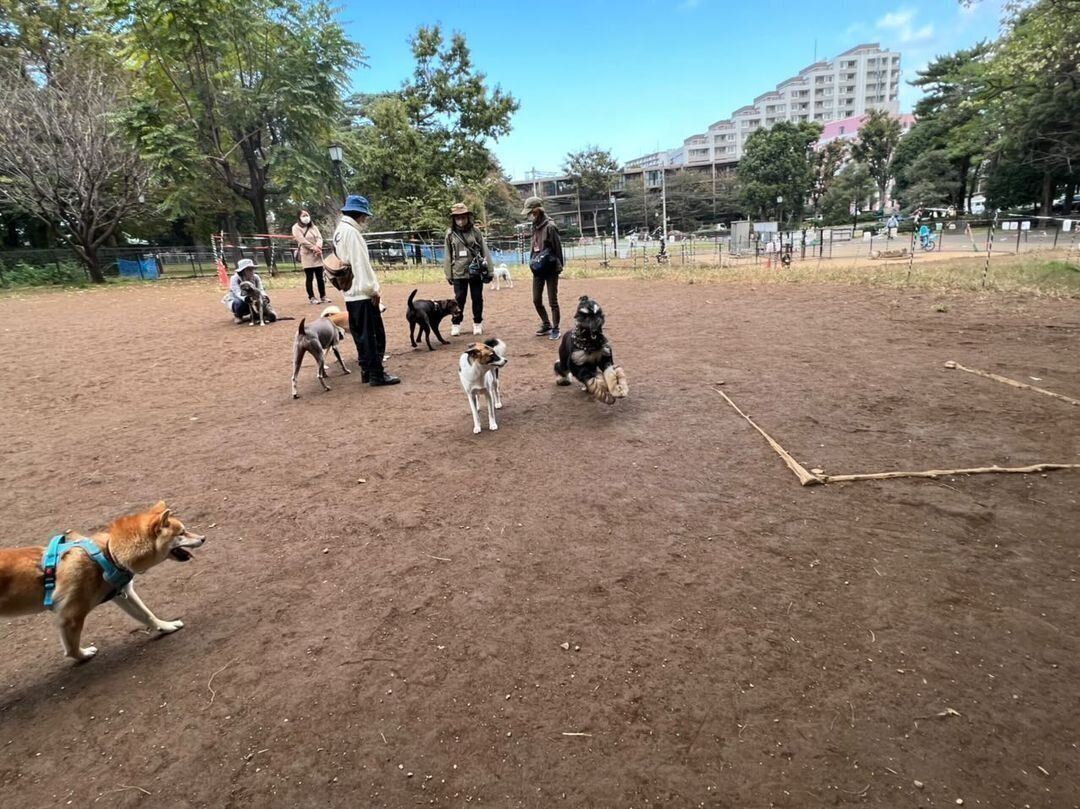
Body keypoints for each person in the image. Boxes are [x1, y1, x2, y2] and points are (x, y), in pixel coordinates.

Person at [333, 194, 399, 386]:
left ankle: (366, 371)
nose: (365, 219)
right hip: (362, 293)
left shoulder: (339, 231)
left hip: (349, 292)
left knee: (361, 336)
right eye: (364, 215)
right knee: (374, 336)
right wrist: (373, 291)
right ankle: (377, 374)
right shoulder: (352, 233)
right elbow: (360, 265)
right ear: (359, 214)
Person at [443, 202, 494, 336]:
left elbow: (484, 250)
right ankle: (456, 323)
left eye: (463, 217)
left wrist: (489, 270)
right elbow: (447, 254)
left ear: (467, 217)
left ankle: (477, 323)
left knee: (477, 298)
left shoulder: (475, 231)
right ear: (454, 218)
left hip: (475, 270)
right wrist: (448, 273)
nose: (460, 220)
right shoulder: (450, 234)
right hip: (458, 272)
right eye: (457, 217)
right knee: (459, 300)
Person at [522, 196, 564, 340]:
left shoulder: (550, 227)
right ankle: (546, 323)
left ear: (538, 210)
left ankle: (556, 328)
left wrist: (560, 266)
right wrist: (532, 263)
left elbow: (558, 249)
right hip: (538, 268)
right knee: (536, 299)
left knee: (553, 300)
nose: (529, 215)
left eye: (531, 212)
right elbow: (534, 247)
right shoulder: (534, 226)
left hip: (551, 268)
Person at [291, 209, 328, 305]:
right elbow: (301, 240)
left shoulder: (313, 227)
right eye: (303, 215)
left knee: (320, 277)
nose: (306, 217)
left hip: (317, 255)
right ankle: (312, 297)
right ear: (299, 217)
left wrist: (318, 246)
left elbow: (319, 237)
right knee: (310, 277)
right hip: (306, 255)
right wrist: (313, 248)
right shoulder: (296, 228)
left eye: (307, 215)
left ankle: (323, 296)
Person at [224, 258, 276, 323]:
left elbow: (260, 289)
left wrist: (264, 296)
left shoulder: (256, 277)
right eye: (248, 269)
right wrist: (246, 298)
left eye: (252, 269)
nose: (252, 271)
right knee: (239, 302)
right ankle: (238, 315)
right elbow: (237, 292)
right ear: (242, 271)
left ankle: (257, 315)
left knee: (261, 301)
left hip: (253, 299)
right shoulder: (234, 278)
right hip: (238, 300)